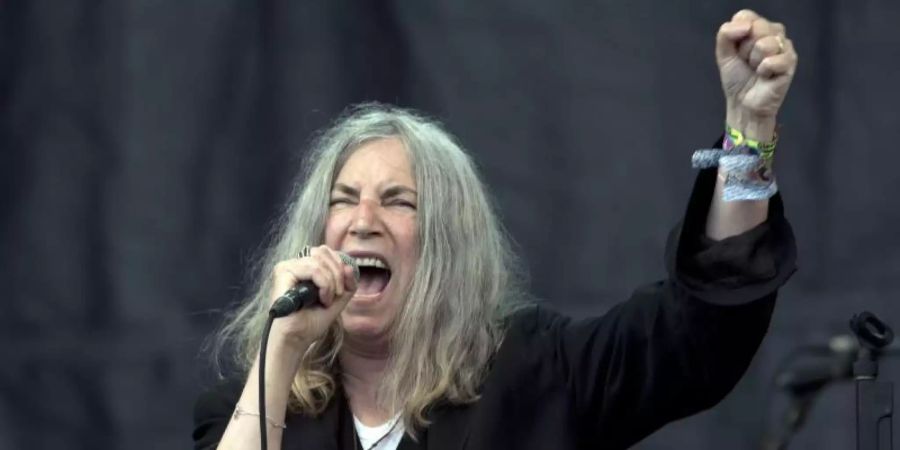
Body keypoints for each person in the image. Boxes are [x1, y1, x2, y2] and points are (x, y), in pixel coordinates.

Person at [193, 9, 798, 450]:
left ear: (448, 246)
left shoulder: (538, 374)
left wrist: (747, 132)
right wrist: (282, 353)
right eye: (344, 200)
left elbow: (703, 329)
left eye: (398, 202)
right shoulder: (252, 408)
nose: (363, 221)